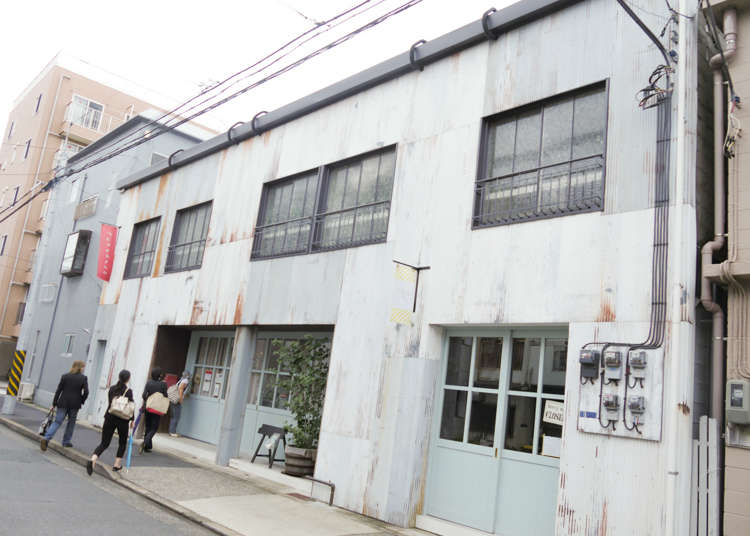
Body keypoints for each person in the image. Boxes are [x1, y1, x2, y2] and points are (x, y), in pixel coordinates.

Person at [87, 369, 134, 475]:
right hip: (122, 420)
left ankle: (93, 458)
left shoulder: (112, 389)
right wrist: (132, 420)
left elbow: (110, 403)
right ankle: (116, 465)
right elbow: (130, 407)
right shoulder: (129, 391)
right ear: (128, 379)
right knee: (122, 442)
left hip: (110, 417)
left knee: (104, 443)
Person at [41, 360, 88, 451]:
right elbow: (86, 392)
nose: (83, 369)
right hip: (75, 404)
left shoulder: (65, 376)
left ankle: (46, 438)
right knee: (71, 423)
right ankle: (66, 441)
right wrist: (82, 400)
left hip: (62, 402)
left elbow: (59, 390)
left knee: (57, 422)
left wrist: (54, 403)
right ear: (79, 367)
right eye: (83, 367)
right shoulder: (83, 378)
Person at [141, 367, 167, 452]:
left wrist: (148, 401)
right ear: (160, 375)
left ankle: (147, 447)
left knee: (148, 426)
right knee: (154, 427)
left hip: (148, 407)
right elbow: (165, 396)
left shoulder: (149, 382)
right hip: (157, 408)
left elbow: (144, 395)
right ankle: (146, 441)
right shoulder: (163, 384)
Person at [168, 371, 191, 437]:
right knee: (176, 416)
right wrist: (180, 399)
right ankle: (172, 432)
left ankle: (171, 431)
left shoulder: (181, 380)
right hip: (177, 400)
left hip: (173, 399)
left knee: (173, 416)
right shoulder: (185, 381)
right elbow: (180, 389)